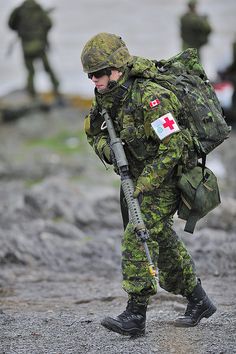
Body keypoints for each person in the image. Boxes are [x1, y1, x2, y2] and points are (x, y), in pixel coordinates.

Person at [81, 32, 217, 336]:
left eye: (98, 74)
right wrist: (112, 154)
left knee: (137, 233)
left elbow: (174, 148)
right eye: (89, 75)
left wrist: (144, 183)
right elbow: (93, 132)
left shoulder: (151, 98)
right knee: (161, 239)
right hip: (134, 176)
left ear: (116, 69)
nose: (93, 80)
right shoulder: (107, 95)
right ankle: (199, 300)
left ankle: (135, 313)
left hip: (166, 178)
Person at [8, 0, 61, 100]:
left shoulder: (19, 10)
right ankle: (56, 88)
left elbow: (11, 24)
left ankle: (31, 93)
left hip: (26, 46)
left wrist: (21, 28)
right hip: (40, 45)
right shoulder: (39, 9)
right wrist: (39, 31)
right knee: (48, 68)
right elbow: (49, 24)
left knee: (30, 71)